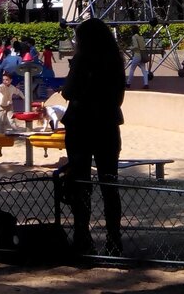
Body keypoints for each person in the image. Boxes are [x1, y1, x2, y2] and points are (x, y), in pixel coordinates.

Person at [63, 17, 125, 257]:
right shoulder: (114, 61)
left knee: (81, 183)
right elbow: (119, 97)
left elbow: (69, 91)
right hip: (108, 124)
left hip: (81, 124)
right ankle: (114, 239)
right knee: (110, 184)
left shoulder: (82, 60)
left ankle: (82, 237)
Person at [127, 25, 149, 89]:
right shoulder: (141, 37)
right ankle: (146, 83)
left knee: (132, 69)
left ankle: (128, 83)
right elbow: (144, 45)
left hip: (137, 54)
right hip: (142, 55)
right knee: (144, 70)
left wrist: (130, 48)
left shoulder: (134, 37)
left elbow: (136, 46)